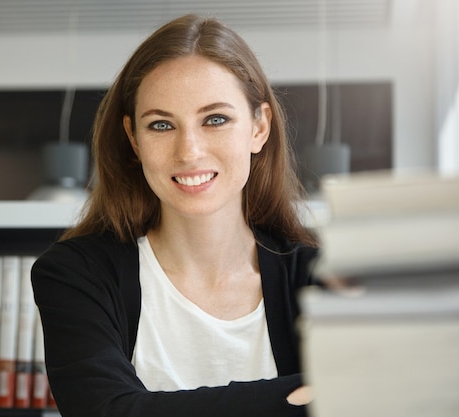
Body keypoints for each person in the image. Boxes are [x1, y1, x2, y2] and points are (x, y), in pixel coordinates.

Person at [31, 13, 319, 417]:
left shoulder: (315, 276)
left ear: (259, 127)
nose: (189, 152)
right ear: (133, 139)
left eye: (215, 119)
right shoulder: (75, 274)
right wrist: (295, 397)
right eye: (162, 125)